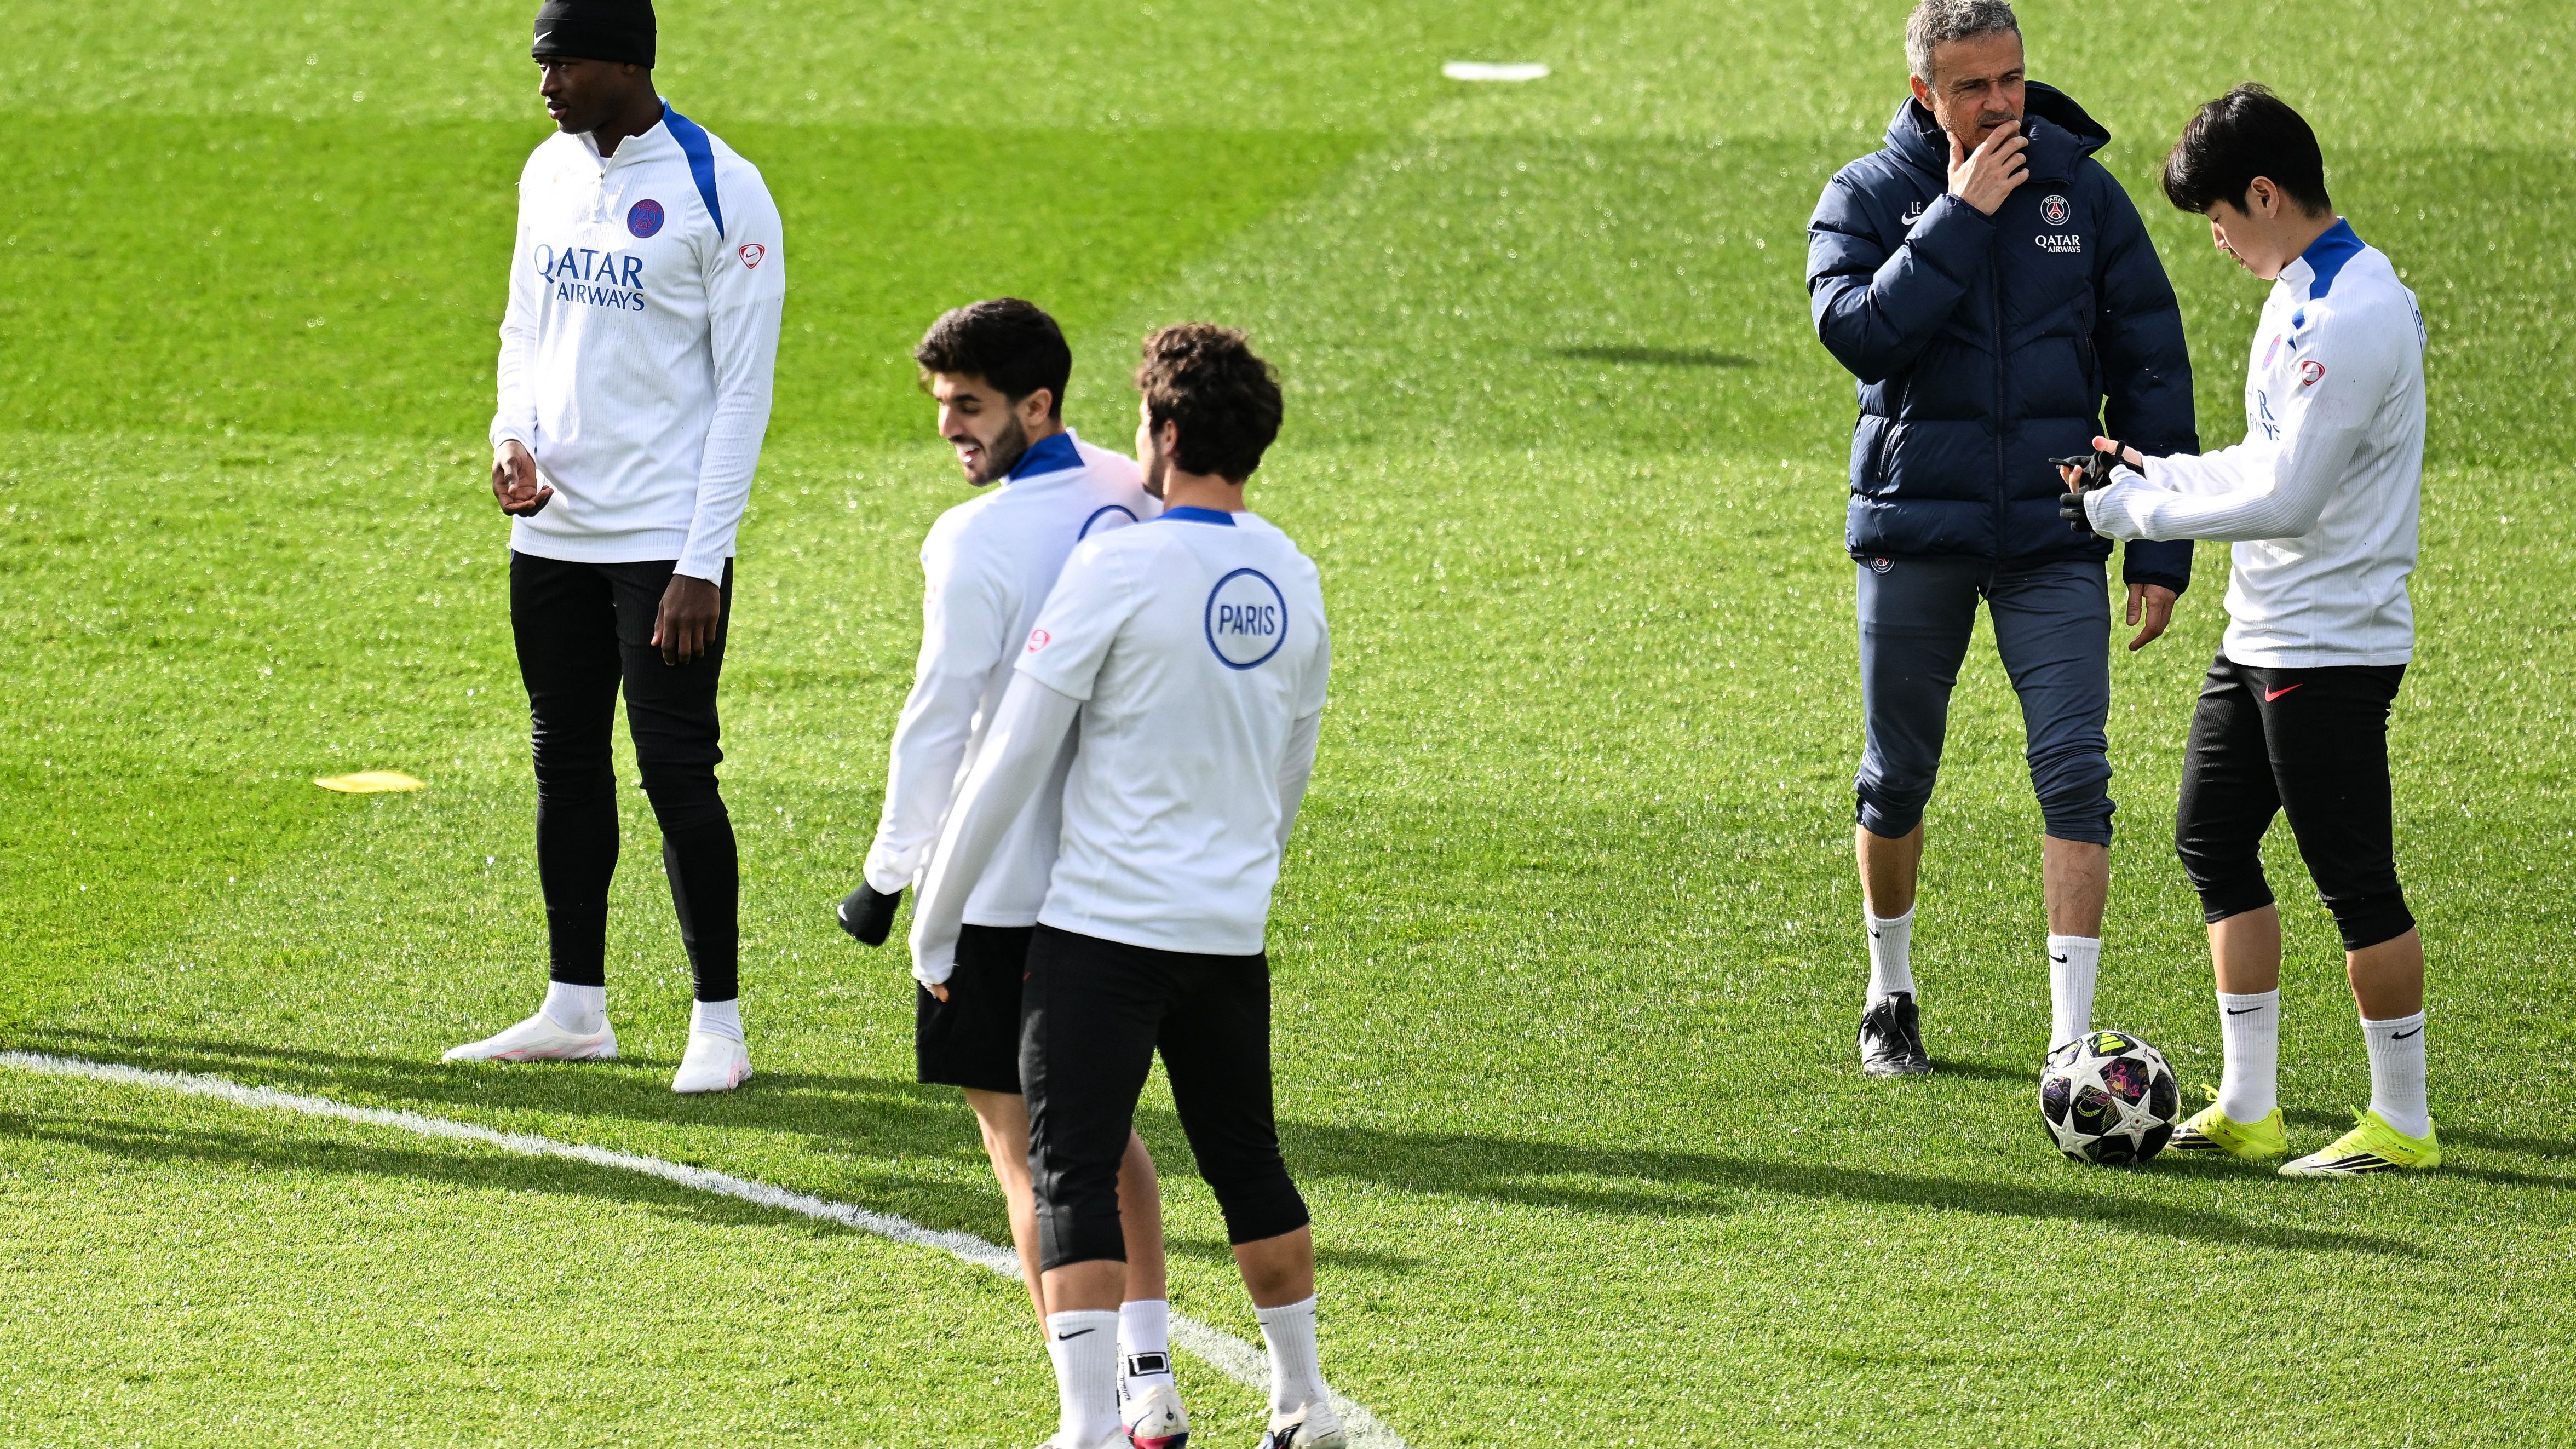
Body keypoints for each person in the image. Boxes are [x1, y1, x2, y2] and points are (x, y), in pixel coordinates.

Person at [909, 326, 1339, 1449]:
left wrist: (936, 922)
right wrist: (1242, 881)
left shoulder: (1121, 565)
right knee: (1250, 1163)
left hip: (1100, 935)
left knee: (1072, 1171)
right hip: (1227, 933)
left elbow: (1009, 758)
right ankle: (1304, 1400)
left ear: (1169, 434)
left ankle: (1087, 1426)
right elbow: (1289, 769)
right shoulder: (1293, 574)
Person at [1804, 0, 2199, 1077]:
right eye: (1972, 86)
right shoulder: (1868, 196)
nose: (1998, 104)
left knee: (2076, 774)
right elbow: (1858, 334)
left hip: (2056, 525)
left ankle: (2072, 1035)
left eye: (2011, 79)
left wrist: (2161, 551)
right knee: (1897, 780)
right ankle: (1890, 998)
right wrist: (1961, 215)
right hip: (1912, 524)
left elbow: (2153, 367)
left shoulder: (2083, 191)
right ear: (1925, 92)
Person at [834, 300, 1191, 1443]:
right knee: (1104, 1131)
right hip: (1114, 877)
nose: (951, 429)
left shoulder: (973, 540)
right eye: (942, 405)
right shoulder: (1128, 489)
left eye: (971, 407)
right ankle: (1153, 1377)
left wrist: (888, 878)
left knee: (1022, 1152)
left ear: (1036, 403)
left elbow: (938, 724)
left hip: (996, 887)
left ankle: (1079, 1415)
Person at [2067, 85, 2435, 1177]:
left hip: (2328, 644)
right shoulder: (2297, 293)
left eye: (2222, 219)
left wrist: (2135, 511)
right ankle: (2251, 1104)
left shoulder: (2355, 314)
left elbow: (2289, 499)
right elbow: (2254, 460)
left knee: (2354, 878)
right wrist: (2151, 471)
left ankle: (2402, 1122)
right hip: (2265, 627)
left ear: (2266, 194)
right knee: (2212, 839)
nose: (2219, 241)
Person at [445, 0, 783, 1095]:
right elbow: (523, 327)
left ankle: (719, 1025)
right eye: (540, 64)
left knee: (679, 774)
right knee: (564, 760)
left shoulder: (721, 187)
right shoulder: (548, 172)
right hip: (555, 535)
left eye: (566, 64)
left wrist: (701, 560)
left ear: (630, 63)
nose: (545, 84)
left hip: (661, 545)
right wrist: (512, 440)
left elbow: (743, 392)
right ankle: (574, 1006)